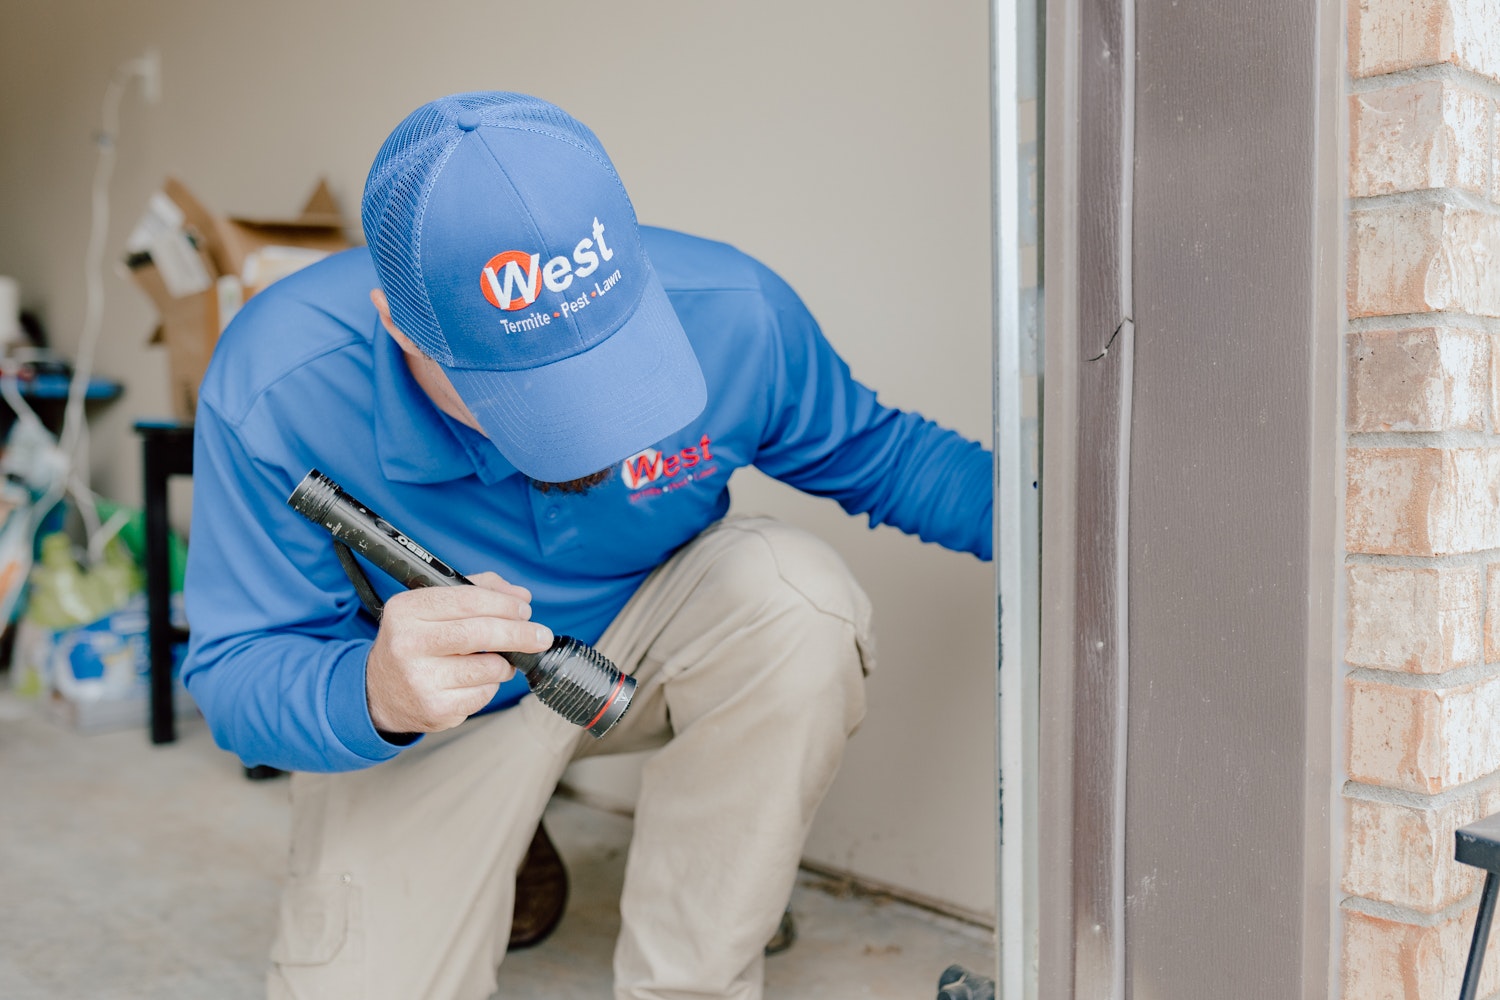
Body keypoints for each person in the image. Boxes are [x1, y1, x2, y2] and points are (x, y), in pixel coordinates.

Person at [183, 91, 992, 1000]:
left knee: (797, 597)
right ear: (402, 326)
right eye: (525, 389)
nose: (592, 434)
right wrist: (375, 694)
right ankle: (502, 820)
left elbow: (883, 455)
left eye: (609, 365)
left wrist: (1098, 540)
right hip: (441, 709)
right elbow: (237, 672)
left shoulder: (735, 312)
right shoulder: (275, 386)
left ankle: (698, 966)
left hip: (646, 646)